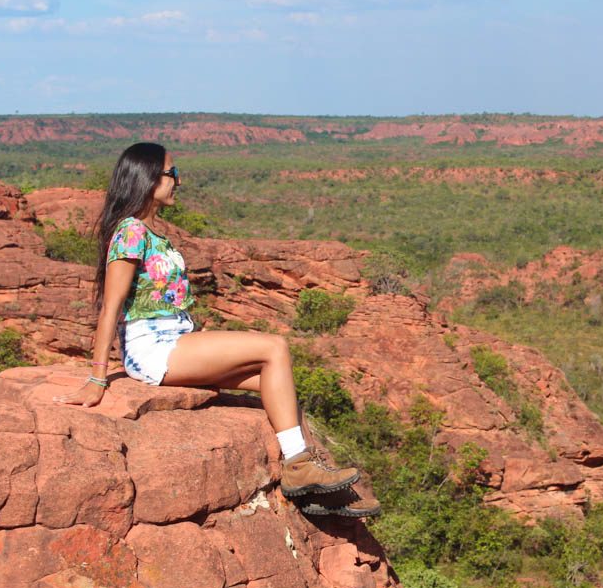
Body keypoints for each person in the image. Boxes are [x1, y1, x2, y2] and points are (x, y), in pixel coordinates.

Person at [52, 142, 378, 517]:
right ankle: (299, 468)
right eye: (172, 173)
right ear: (147, 178)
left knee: (277, 381)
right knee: (274, 347)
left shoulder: (150, 232)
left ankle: (311, 488)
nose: (178, 181)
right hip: (153, 348)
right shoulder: (129, 232)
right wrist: (97, 379)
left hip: (177, 339)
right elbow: (110, 307)